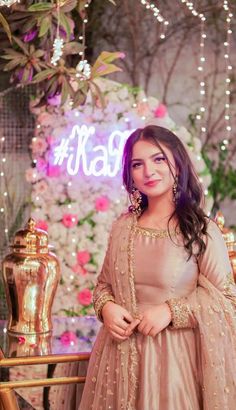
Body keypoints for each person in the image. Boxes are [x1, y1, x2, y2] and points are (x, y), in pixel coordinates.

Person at [79, 125, 236, 410]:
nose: (148, 171)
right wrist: (106, 308)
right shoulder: (123, 227)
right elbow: (104, 286)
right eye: (137, 164)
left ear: (177, 162)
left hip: (174, 367)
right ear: (130, 174)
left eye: (158, 159)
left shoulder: (201, 231)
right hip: (117, 362)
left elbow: (227, 300)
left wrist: (171, 311)